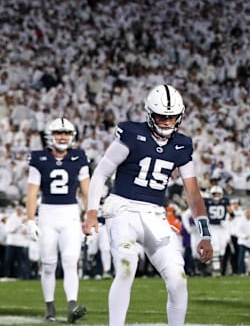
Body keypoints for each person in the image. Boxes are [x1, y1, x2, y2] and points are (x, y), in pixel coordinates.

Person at [81, 84, 213, 326]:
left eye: (171, 117)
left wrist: (205, 235)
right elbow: (100, 174)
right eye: (161, 116)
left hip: (154, 214)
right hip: (122, 209)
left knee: (178, 279)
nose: (166, 122)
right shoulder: (132, 134)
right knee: (126, 266)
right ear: (150, 114)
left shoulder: (182, 145)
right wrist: (91, 212)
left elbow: (193, 194)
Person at [25, 117, 90, 322]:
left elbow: (86, 192)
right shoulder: (39, 158)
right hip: (47, 213)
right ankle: (50, 308)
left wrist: (90, 217)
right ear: (50, 136)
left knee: (71, 261)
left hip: (70, 212)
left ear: (72, 136)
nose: (62, 137)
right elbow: (32, 193)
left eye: (66, 133)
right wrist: (29, 219)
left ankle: (71, 306)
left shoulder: (79, 157)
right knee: (49, 264)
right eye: (58, 133)